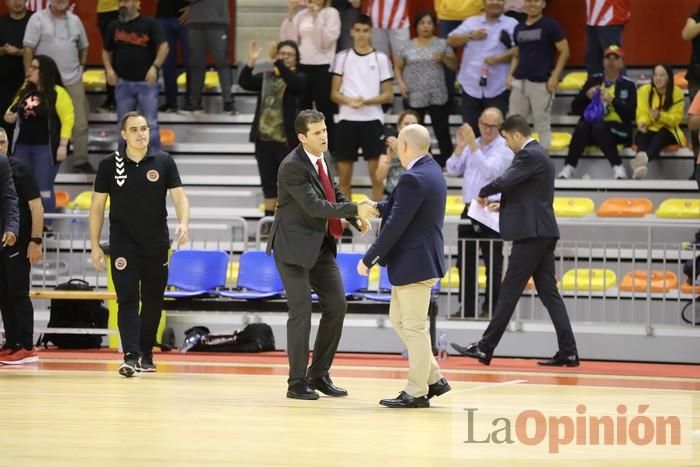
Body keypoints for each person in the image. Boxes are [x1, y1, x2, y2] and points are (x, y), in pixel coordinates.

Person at [451, 114, 579, 367]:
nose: (507, 144)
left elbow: (506, 180)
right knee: (549, 294)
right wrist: (504, 203)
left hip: (531, 234)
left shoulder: (528, 155)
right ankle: (569, 350)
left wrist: (482, 192)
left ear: (517, 135)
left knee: (509, 290)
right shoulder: (537, 155)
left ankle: (485, 347)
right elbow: (527, 192)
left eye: (507, 139)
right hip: (540, 232)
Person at [266, 109, 377, 400]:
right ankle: (296, 382)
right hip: (292, 248)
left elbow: (334, 195)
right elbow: (315, 206)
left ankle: (319, 374)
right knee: (301, 311)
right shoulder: (291, 166)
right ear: (303, 137)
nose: (324, 135)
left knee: (337, 306)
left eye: (324, 130)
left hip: (320, 246)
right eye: (317, 132)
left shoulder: (322, 157)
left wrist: (354, 219)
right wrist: (355, 208)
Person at [90, 111, 190, 377]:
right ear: (123, 135)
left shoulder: (164, 161)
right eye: (134, 129)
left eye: (144, 128)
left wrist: (183, 222)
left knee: (153, 301)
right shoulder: (109, 164)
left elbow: (180, 198)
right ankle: (131, 355)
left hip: (156, 244)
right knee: (127, 300)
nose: (140, 133)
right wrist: (94, 245)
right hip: (123, 245)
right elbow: (97, 207)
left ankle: (146, 352)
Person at [357, 123, 449, 409]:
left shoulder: (414, 178)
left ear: (405, 146)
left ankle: (416, 390)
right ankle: (434, 378)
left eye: (398, 144)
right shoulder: (430, 171)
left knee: (413, 328)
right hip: (420, 261)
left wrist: (369, 258)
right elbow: (403, 207)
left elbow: (397, 224)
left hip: (415, 262)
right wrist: (377, 206)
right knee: (401, 321)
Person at [445, 108, 512, 319]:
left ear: (500, 128)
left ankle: (491, 309)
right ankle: (467, 308)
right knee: (465, 261)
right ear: (479, 122)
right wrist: (459, 147)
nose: (487, 130)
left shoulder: (504, 148)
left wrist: (473, 147)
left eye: (492, 126)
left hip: (493, 208)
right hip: (470, 208)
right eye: (484, 124)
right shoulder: (472, 145)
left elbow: (490, 172)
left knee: (493, 262)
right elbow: (452, 169)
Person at [238, 40, 305, 223]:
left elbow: (295, 83)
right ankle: (269, 224)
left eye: (288, 54)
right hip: (264, 140)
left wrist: (277, 61)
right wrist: (251, 61)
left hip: (286, 141)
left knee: (289, 184)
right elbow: (244, 82)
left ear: (296, 59)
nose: (284, 57)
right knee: (268, 185)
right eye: (281, 53)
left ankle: (290, 223)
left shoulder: (299, 77)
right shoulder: (268, 76)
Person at [330, 14, 394, 201]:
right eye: (357, 30)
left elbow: (388, 94)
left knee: (377, 177)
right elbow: (333, 94)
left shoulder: (380, 58)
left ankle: (374, 222)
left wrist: (365, 102)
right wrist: (350, 102)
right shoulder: (342, 57)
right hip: (346, 120)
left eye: (365, 31)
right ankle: (347, 221)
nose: (361, 35)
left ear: (371, 32)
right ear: (351, 31)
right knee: (344, 178)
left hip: (372, 120)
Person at [23, 0, 91, 173]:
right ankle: (44, 160)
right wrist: (29, 76)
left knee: (80, 122)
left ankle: (80, 161)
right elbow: (28, 49)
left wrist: (81, 68)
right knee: (42, 121)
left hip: (72, 79)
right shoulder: (37, 19)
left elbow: (84, 47)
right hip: (45, 81)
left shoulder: (75, 20)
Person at [4, 55, 74, 216]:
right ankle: (24, 225)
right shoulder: (26, 91)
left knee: (44, 189)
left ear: (44, 71)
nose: (30, 70)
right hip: (22, 146)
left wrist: (63, 145)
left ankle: (47, 226)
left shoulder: (58, 93)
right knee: (20, 188)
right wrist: (11, 114)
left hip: (45, 148)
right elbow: (10, 113)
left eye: (34, 68)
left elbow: (68, 120)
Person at [557, 45, 636, 180]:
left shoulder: (628, 85)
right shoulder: (594, 80)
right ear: (603, 61)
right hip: (593, 129)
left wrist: (612, 100)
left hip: (619, 130)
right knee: (583, 126)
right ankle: (569, 167)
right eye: (608, 58)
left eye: (615, 58)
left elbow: (631, 114)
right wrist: (586, 95)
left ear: (622, 63)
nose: (611, 62)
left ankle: (618, 167)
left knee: (598, 126)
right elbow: (574, 107)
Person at [0, 127, 43, 365]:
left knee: (18, 293)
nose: (0, 147)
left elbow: (37, 207)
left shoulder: (20, 170)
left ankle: (27, 345)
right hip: (2, 242)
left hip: (21, 240)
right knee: (4, 295)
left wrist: (36, 241)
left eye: (3, 142)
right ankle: (12, 342)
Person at [103, 0, 168, 150]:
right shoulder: (113, 26)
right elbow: (106, 51)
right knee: (124, 126)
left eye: (126, 1)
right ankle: (124, 165)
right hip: (123, 84)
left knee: (150, 124)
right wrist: (109, 69)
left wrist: (155, 67)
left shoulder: (149, 23)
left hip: (146, 84)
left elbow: (164, 47)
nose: (122, 4)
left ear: (137, 3)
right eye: (120, 2)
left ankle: (155, 164)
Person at [447, 0, 518, 135]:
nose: (495, 3)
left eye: (499, 0)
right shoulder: (471, 22)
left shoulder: (512, 24)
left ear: (504, 3)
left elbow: (519, 51)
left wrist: (499, 59)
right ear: (483, 3)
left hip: (498, 86)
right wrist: (471, 35)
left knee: (496, 132)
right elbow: (450, 40)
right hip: (471, 85)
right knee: (471, 131)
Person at [395, 11, 456, 166]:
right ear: (416, 26)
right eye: (422, 22)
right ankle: (417, 162)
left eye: (429, 22)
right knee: (414, 132)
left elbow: (454, 65)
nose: (426, 26)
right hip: (414, 94)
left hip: (437, 94)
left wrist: (443, 57)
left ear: (434, 25)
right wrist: (401, 83)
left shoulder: (442, 44)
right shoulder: (406, 45)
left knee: (441, 130)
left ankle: (446, 163)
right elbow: (398, 66)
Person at [507, 0, 569, 151]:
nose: (532, 4)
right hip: (519, 81)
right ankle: (518, 163)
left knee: (541, 124)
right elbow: (517, 53)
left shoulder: (550, 25)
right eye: (528, 1)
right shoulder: (518, 27)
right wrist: (510, 75)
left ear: (543, 4)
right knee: (515, 125)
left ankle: (542, 165)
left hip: (541, 82)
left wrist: (554, 76)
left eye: (536, 1)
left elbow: (565, 51)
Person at [281, 0, 340, 146]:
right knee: (301, 111)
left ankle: (328, 149)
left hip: (323, 67)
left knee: (325, 111)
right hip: (302, 67)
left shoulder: (331, 13)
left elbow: (324, 43)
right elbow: (290, 41)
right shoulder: (301, 14)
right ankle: (303, 147)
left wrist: (316, 17)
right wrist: (290, 14)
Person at [631, 64, 686, 180]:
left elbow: (675, 119)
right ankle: (639, 168)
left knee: (660, 136)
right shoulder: (644, 91)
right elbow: (642, 112)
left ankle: (643, 159)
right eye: (655, 75)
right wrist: (642, 122)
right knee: (642, 136)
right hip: (650, 127)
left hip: (670, 130)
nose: (658, 78)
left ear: (669, 78)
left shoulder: (677, 93)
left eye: (662, 75)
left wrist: (660, 116)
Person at [184, 0, 234, 114]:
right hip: (195, 23)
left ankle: (228, 100)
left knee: (222, 62)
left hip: (218, 22)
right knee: (196, 64)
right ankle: (195, 101)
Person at [0, 0, 32, 144]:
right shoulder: (1, 22)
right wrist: (3, 50)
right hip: (4, 81)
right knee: (5, 119)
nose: (17, 2)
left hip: (29, 79)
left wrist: (19, 52)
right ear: (6, 2)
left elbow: (42, 47)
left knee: (29, 117)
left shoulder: (35, 20)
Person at [156, 0, 190, 113]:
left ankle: (192, 101)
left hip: (188, 15)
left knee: (190, 61)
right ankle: (171, 102)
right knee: (167, 62)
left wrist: (194, 8)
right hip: (164, 15)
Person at [375, 110, 419, 196]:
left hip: (416, 195)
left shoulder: (423, 144)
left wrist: (399, 152)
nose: (410, 127)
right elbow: (379, 177)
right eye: (406, 124)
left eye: (414, 124)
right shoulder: (391, 144)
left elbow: (421, 172)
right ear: (399, 127)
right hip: (392, 194)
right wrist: (388, 159)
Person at [584, 0, 630, 75]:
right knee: (593, 62)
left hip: (609, 18)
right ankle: (594, 85)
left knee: (613, 60)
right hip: (592, 18)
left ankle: (622, 86)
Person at [682, 7, 700, 174]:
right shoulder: (695, 18)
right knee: (696, 122)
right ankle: (697, 166)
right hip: (697, 76)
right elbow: (686, 34)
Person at [96, 0, 119, 112]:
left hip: (129, 7)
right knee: (110, 54)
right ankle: (111, 99)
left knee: (127, 53)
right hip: (106, 10)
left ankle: (125, 98)